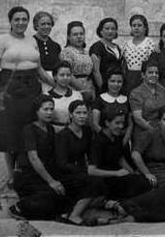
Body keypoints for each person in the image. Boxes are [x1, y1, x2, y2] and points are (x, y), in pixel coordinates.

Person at [0, 6, 54, 186]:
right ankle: (12, 174)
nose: (21, 23)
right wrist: (8, 80)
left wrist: (56, 84)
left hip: (32, 88)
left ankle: (27, 170)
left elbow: (38, 68)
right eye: (17, 19)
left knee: (30, 127)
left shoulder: (32, 41)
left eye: (24, 19)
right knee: (11, 130)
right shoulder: (2, 40)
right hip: (10, 91)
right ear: (10, 21)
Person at [10, 95, 93, 223]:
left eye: (51, 109)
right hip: (27, 176)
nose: (49, 112)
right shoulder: (29, 129)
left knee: (65, 192)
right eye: (45, 109)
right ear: (36, 111)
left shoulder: (50, 129)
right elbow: (33, 158)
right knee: (51, 196)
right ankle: (19, 208)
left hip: (42, 175)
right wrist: (51, 181)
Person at [55, 100, 130, 225]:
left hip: (82, 171)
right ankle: (74, 215)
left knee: (102, 180)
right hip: (66, 173)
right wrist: (85, 170)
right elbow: (62, 163)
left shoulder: (87, 131)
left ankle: (97, 209)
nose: (82, 116)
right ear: (71, 115)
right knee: (94, 181)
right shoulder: (63, 135)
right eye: (78, 112)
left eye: (84, 113)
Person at [121, 105, 165, 223]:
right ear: (159, 121)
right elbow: (135, 155)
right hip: (151, 170)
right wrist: (147, 173)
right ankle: (132, 206)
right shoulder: (150, 133)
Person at [89, 109, 151, 199]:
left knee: (143, 181)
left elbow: (120, 159)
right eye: (117, 123)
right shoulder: (98, 142)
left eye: (122, 123)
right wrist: (116, 173)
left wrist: (132, 173)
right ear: (107, 123)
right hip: (105, 177)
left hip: (118, 173)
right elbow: (91, 171)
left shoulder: (116, 137)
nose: (121, 126)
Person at [60, 21, 100, 102]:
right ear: (68, 37)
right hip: (75, 88)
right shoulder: (66, 52)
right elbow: (68, 74)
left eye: (81, 34)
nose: (79, 37)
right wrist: (83, 89)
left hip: (90, 88)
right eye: (75, 34)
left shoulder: (87, 52)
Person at [92, 67, 133, 146]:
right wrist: (108, 140)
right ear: (107, 81)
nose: (116, 84)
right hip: (103, 143)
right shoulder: (99, 100)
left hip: (123, 142)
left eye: (119, 82)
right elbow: (95, 124)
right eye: (112, 81)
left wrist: (124, 141)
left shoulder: (127, 99)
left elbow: (130, 124)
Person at [129, 60, 165, 141]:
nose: (154, 75)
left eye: (156, 73)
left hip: (163, 129)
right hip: (144, 130)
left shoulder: (162, 90)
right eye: (150, 72)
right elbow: (138, 118)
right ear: (143, 75)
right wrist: (154, 132)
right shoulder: (136, 93)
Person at [122, 14, 156, 94]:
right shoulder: (126, 44)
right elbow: (123, 63)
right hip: (129, 78)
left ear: (145, 28)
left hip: (144, 77)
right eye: (134, 25)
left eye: (139, 25)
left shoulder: (150, 43)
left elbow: (153, 62)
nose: (136, 28)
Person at [47, 61, 83, 132]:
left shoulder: (77, 95)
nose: (65, 78)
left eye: (68, 75)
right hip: (54, 133)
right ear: (55, 76)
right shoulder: (47, 96)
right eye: (62, 75)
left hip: (74, 132)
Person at [90, 18, 123, 92]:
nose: (110, 31)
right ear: (101, 31)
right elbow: (96, 71)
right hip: (103, 87)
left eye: (113, 29)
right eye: (107, 29)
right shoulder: (97, 47)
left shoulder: (117, 47)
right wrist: (102, 88)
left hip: (116, 85)